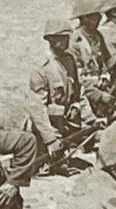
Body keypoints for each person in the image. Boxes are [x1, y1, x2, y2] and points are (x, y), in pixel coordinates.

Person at [29, 18, 96, 147]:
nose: (65, 41)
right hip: (49, 130)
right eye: (60, 38)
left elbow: (79, 93)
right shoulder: (42, 67)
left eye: (66, 37)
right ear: (50, 39)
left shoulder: (69, 60)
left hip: (70, 125)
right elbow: (37, 108)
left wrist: (91, 120)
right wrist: (51, 140)